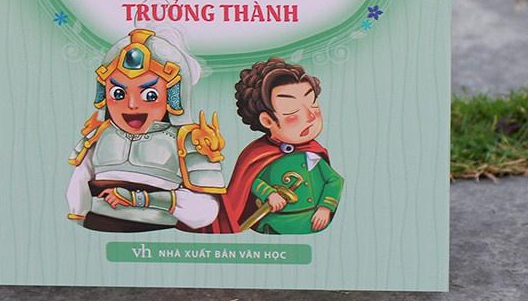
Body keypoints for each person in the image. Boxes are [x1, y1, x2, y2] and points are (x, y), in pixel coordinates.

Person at [66, 28, 226, 232]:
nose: (132, 105)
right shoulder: (99, 135)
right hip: (96, 228)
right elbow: (78, 186)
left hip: (159, 236)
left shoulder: (188, 141)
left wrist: (139, 199)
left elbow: (205, 211)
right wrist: (78, 222)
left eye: (149, 95)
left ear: (174, 95)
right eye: (118, 93)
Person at [216, 59, 343, 235]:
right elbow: (251, 181)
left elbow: (334, 180)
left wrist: (325, 208)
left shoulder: (312, 153)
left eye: (313, 105)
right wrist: (269, 194)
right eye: (292, 113)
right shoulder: (257, 155)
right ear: (267, 120)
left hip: (312, 221)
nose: (310, 117)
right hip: (274, 223)